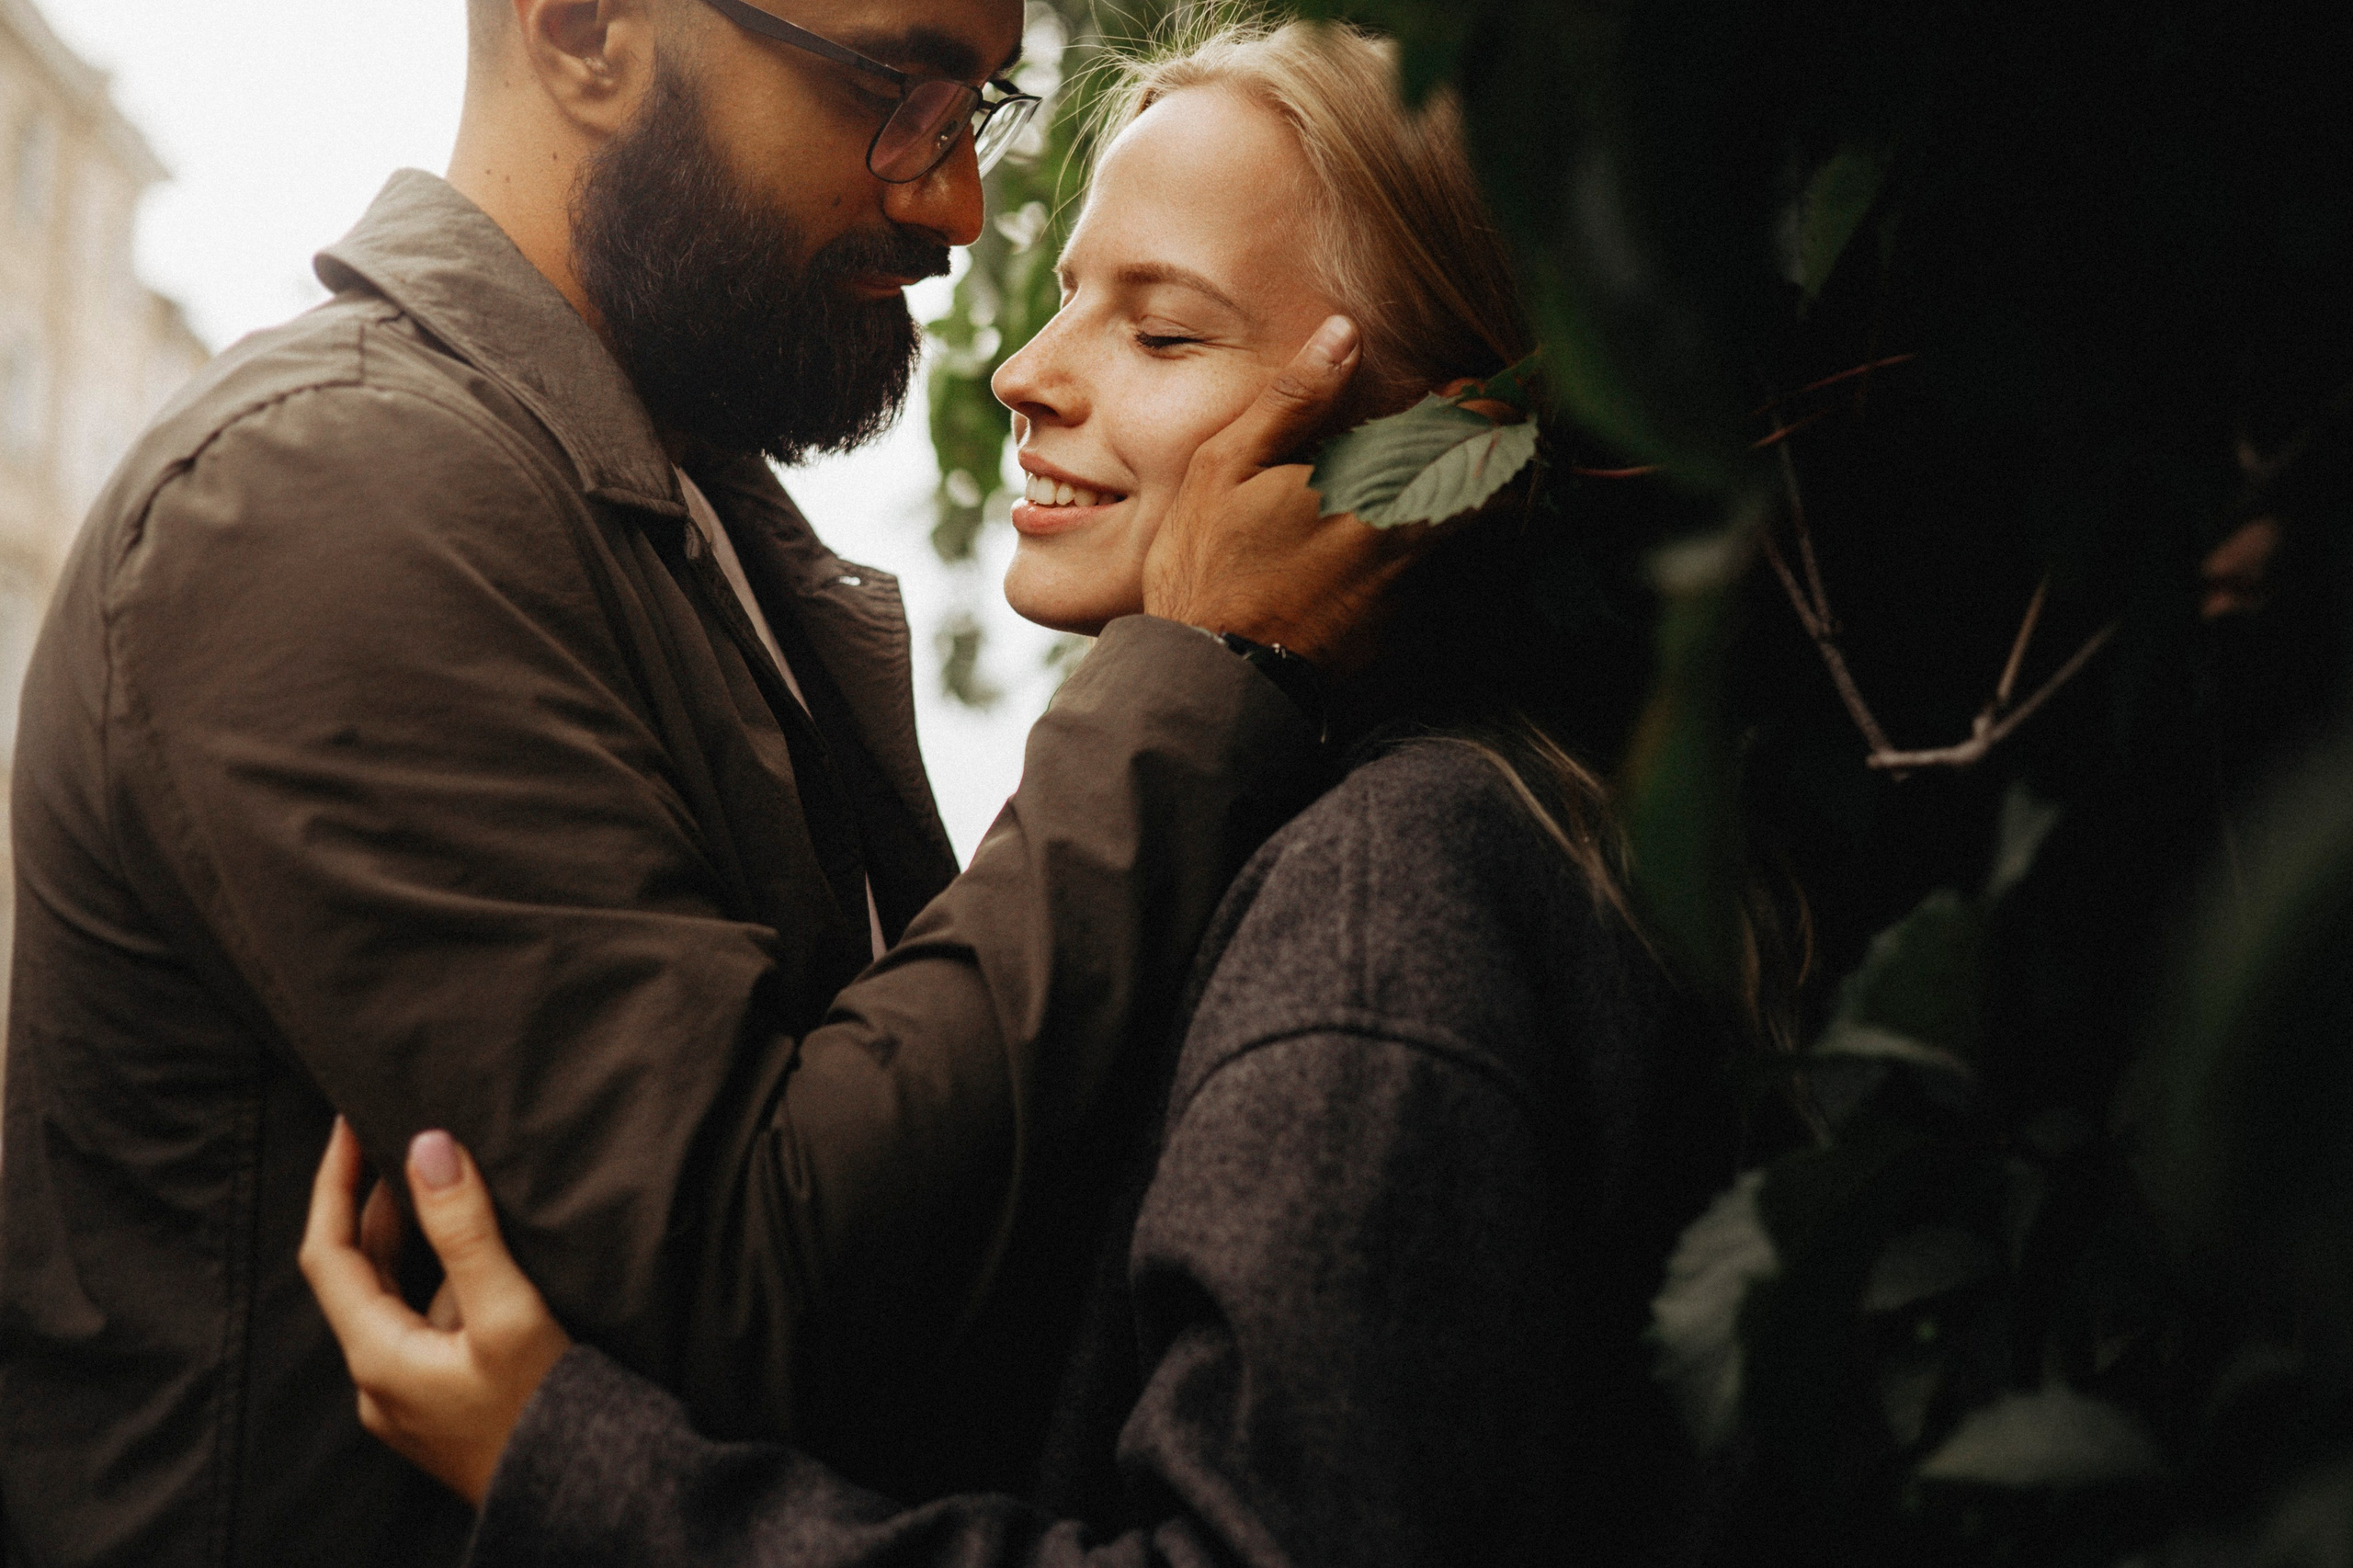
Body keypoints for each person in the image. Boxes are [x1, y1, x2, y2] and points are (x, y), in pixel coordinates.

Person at [301, 17, 1742, 1566]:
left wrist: (587, 1475)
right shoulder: (1373, 827)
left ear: (1430, 438)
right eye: (1066, 299)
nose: (1025, 372)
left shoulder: (1388, 889)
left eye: (1163, 334)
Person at [0, 0, 1425, 1563]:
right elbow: (755, 1295)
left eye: (974, 108)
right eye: (898, 90)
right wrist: (1204, 674)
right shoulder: (332, 488)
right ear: (584, 30)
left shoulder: (676, 505)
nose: (958, 202)